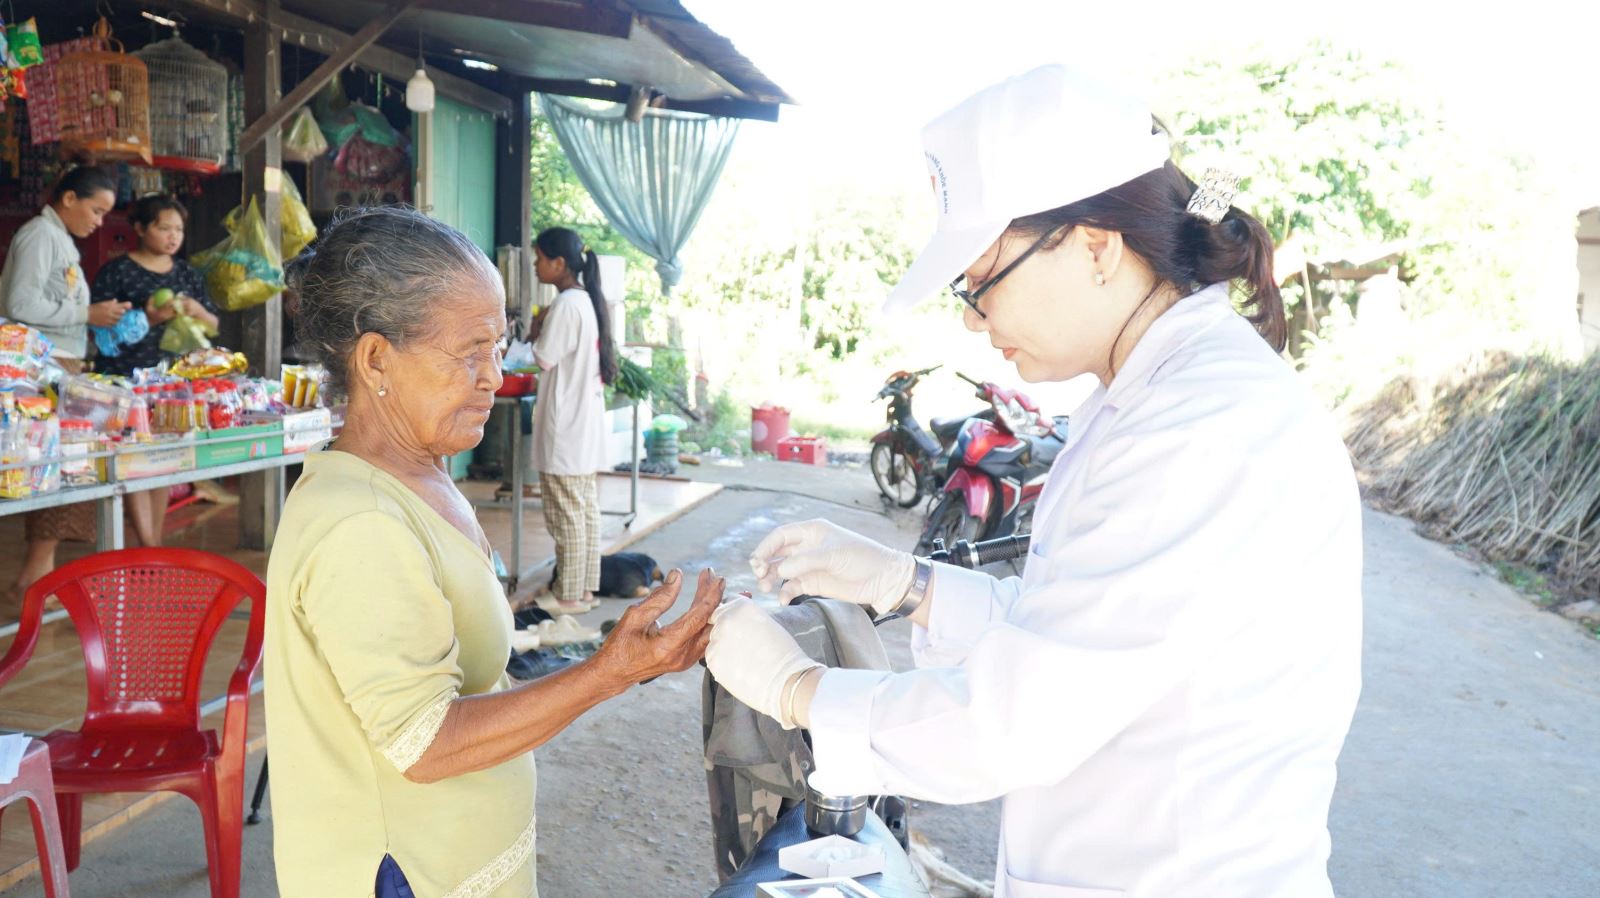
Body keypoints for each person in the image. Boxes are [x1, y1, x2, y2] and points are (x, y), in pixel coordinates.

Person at [706, 65, 1363, 898]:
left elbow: (1021, 716)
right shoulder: (1144, 395)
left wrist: (800, 691)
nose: (975, 318)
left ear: (1094, 247)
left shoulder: (1204, 421)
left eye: (981, 278)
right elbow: (1084, 631)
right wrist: (908, 587)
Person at [265, 206, 720, 897]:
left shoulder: (420, 476)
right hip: (407, 872)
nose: (493, 376)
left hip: (457, 860)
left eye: (498, 347)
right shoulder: (360, 525)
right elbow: (427, 742)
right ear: (377, 358)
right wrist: (610, 672)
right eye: (469, 352)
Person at [0, 166, 127, 600]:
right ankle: (34, 576)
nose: (98, 222)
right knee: (53, 466)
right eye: (95, 210)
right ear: (68, 198)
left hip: (61, 366)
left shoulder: (60, 241)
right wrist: (85, 315)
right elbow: (20, 302)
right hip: (40, 370)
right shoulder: (39, 234)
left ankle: (39, 573)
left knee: (66, 468)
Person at [90, 193, 220, 548]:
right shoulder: (117, 273)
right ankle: (149, 544)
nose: (173, 236)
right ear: (140, 228)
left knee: (164, 459)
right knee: (132, 458)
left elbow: (212, 324)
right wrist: (148, 318)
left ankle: (154, 541)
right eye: (164, 228)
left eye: (178, 229)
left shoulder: (186, 274)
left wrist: (194, 309)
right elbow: (101, 335)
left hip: (172, 385)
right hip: (124, 380)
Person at [529, 227, 616, 613]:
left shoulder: (566, 305)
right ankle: (583, 591)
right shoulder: (584, 301)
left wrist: (536, 329)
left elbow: (544, 356)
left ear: (558, 263)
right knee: (583, 511)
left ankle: (566, 595)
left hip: (566, 425)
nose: (535, 266)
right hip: (583, 423)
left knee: (565, 515)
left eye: (539, 258)